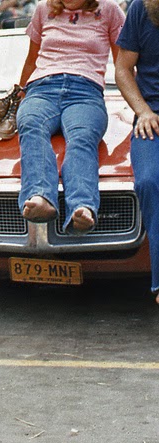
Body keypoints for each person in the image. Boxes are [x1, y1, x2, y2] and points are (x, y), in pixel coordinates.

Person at [13, 0, 124, 233]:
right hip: (42, 87)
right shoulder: (44, 8)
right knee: (31, 124)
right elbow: (32, 59)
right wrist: (18, 96)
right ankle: (40, 196)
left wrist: (140, 106)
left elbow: (123, 63)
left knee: (82, 136)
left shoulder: (110, 10)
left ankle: (82, 206)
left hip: (86, 91)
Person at [115, 0, 159, 304]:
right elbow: (122, 68)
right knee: (148, 181)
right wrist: (142, 111)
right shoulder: (141, 9)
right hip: (152, 117)